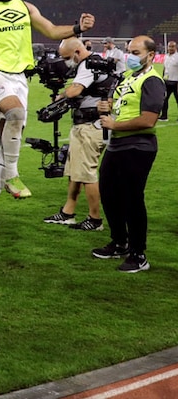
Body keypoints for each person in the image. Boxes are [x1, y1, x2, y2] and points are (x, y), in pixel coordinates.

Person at [0, 0, 94, 235]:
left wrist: (77, 27)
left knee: (7, 141)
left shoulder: (26, 8)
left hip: (19, 78)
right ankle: (12, 174)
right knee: (15, 115)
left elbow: (50, 30)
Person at [91, 36, 163, 272]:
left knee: (132, 199)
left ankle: (138, 254)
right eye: (128, 50)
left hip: (138, 146)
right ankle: (119, 242)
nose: (130, 55)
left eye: (135, 51)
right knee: (109, 194)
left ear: (150, 55)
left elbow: (149, 119)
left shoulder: (152, 80)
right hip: (118, 145)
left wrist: (114, 125)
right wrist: (108, 107)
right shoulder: (129, 77)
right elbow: (120, 106)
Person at [42, 38, 112, 232]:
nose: (65, 62)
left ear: (77, 53)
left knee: (87, 173)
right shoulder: (95, 62)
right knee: (75, 171)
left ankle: (95, 219)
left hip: (91, 127)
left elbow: (74, 91)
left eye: (66, 58)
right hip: (89, 125)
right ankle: (67, 212)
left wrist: (60, 96)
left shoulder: (88, 65)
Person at [161, 40, 178, 120]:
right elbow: (165, 67)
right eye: (169, 46)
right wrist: (163, 76)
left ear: (176, 47)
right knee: (164, 99)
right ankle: (164, 116)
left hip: (176, 81)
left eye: (172, 46)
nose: (170, 48)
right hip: (167, 81)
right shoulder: (166, 56)